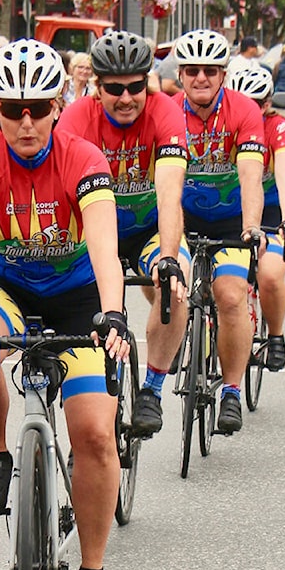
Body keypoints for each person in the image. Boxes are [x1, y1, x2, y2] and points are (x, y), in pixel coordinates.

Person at [0, 39, 129, 570]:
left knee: (92, 432)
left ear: (59, 103)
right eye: (12, 109)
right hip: (6, 289)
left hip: (77, 298)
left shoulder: (84, 160)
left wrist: (111, 313)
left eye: (39, 106)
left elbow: (106, 251)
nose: (27, 120)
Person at [56, 30, 189, 438]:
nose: (127, 97)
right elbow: (61, 194)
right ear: (97, 88)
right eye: (115, 88)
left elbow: (169, 192)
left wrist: (168, 256)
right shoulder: (76, 117)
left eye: (136, 86)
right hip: (95, 232)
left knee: (176, 283)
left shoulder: (165, 112)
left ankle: (151, 388)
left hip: (147, 228)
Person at [171, 29, 267, 434]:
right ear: (180, 75)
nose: (201, 79)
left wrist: (251, 227)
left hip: (231, 220)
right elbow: (165, 180)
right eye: (192, 71)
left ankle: (230, 390)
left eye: (210, 71)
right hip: (183, 215)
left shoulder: (245, 112)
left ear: (223, 75)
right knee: (166, 279)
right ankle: (175, 337)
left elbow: (250, 174)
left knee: (229, 297)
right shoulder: (167, 111)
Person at [226, 66, 285, 370]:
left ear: (268, 104)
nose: (249, 110)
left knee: (269, 274)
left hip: (274, 206)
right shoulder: (223, 125)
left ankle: (276, 335)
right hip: (237, 205)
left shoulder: (279, 128)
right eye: (242, 102)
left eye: (257, 104)